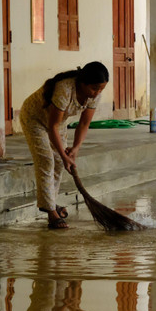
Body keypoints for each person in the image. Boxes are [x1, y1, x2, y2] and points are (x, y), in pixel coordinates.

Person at [20, 61, 109, 229]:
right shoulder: (65, 89)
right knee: (46, 160)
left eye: (101, 89)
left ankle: (50, 203)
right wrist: (63, 153)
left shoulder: (93, 96)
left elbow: (84, 124)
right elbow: (51, 126)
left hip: (57, 123)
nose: (97, 93)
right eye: (94, 88)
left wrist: (74, 149)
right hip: (35, 119)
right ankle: (52, 213)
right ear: (83, 83)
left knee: (59, 163)